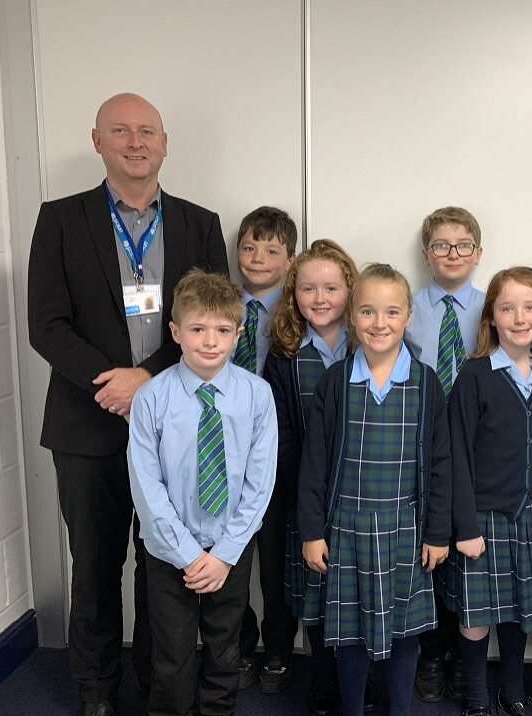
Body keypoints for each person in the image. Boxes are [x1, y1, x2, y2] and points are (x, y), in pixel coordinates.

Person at [27, 93, 227, 716]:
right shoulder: (59, 219)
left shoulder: (200, 222)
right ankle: (96, 691)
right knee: (93, 566)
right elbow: (46, 324)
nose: (135, 142)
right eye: (121, 130)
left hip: (173, 423)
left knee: (162, 565)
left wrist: (146, 377)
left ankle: (156, 686)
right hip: (87, 426)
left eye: (147, 131)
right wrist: (110, 382)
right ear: (97, 140)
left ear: (165, 143)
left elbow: (217, 319)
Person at [297, 264, 452, 716]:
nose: (378, 323)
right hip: (344, 527)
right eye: (367, 311)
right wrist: (311, 531)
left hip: (405, 527)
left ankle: (397, 708)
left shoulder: (426, 384)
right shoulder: (336, 383)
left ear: (407, 317)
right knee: (349, 633)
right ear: (352, 318)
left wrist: (437, 532)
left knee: (404, 632)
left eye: (390, 312)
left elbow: (440, 465)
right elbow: (313, 467)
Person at [127, 269, 277, 716]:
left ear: (238, 332)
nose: (210, 341)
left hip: (230, 547)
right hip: (169, 550)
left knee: (224, 647)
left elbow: (260, 481)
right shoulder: (152, 398)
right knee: (170, 652)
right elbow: (146, 484)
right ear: (175, 332)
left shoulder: (257, 395)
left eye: (222, 330)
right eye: (197, 329)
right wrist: (189, 555)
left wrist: (224, 553)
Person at [445, 267, 532, 716]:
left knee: (522, 611)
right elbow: (457, 454)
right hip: (485, 518)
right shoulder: (474, 375)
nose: (520, 317)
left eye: (530, 306)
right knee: (476, 615)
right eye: (508, 307)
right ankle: (477, 692)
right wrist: (465, 524)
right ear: (491, 318)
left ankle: (512, 688)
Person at [264, 239, 359, 715]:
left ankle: (361, 688)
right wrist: (307, 494)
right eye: (307, 289)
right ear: (293, 294)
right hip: (308, 497)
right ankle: (322, 687)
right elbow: (279, 431)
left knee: (361, 591)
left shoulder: (370, 343)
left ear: (351, 289)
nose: (319, 298)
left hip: (364, 494)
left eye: (330, 287)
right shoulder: (283, 355)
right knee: (317, 594)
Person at [406, 206, 485, 701]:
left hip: (478, 447)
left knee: (471, 553)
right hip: (425, 444)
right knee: (429, 553)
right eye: (441, 245)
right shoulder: (408, 307)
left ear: (479, 253)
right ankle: (431, 654)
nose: (452, 253)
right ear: (425, 254)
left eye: (462, 245)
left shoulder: (494, 305)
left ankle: (464, 653)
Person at [232, 206, 298, 691]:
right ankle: (238, 641)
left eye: (272, 250)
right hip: (223, 451)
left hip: (274, 452)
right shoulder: (221, 305)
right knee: (231, 556)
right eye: (250, 247)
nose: (258, 258)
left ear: (290, 260)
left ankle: (278, 647)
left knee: (275, 558)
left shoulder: (296, 314)